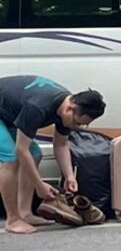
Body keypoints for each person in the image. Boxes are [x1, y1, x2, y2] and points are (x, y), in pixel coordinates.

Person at [1, 78, 105, 235]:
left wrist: (70, 177)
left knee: (35, 153)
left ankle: (25, 213)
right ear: (70, 109)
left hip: (6, 114)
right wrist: (39, 186)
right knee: (11, 158)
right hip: (4, 113)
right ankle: (13, 219)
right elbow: (21, 150)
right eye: (77, 123)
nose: (77, 128)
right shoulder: (38, 107)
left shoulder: (67, 108)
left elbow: (61, 145)